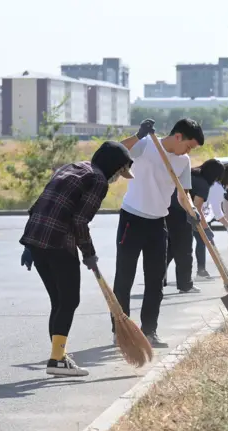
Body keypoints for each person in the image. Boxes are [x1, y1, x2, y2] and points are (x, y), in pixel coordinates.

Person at [19, 139, 135, 377]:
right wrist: (89, 253)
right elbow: (80, 221)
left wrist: (29, 245)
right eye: (119, 172)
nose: (117, 178)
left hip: (36, 239)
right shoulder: (98, 180)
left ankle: (58, 356)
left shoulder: (71, 167)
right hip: (58, 243)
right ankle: (57, 359)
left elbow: (38, 204)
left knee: (59, 301)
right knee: (69, 301)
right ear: (114, 166)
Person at [113, 118, 204, 349]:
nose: (189, 151)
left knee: (155, 281)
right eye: (189, 146)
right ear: (178, 136)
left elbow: (183, 194)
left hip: (157, 223)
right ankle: (120, 330)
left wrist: (192, 211)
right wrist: (138, 135)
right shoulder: (147, 144)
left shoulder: (183, 161)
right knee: (124, 278)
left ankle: (149, 331)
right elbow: (114, 151)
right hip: (132, 218)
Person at [164, 158, 225, 293]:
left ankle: (159, 279)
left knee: (170, 249)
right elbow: (196, 208)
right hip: (181, 215)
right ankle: (185, 285)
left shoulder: (191, 174)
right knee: (185, 251)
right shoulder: (203, 184)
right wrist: (206, 229)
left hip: (166, 211)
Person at [195, 164, 228, 279]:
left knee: (200, 242)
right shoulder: (217, 188)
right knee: (202, 241)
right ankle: (201, 271)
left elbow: (215, 210)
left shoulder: (215, 186)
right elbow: (217, 211)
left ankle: (201, 271)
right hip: (197, 216)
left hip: (200, 216)